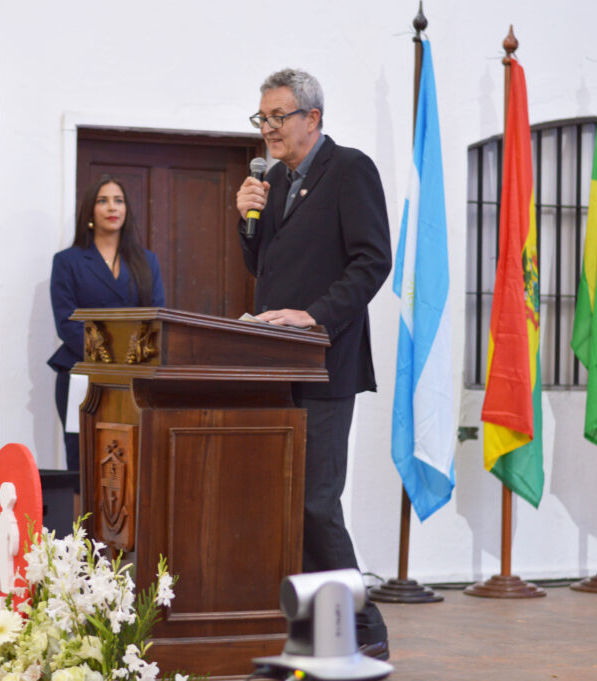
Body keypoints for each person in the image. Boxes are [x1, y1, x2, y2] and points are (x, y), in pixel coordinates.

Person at [235, 68, 392, 660]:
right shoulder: (273, 180)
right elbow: (264, 269)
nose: (268, 128)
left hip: (326, 363)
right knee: (288, 499)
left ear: (313, 119)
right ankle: (321, 632)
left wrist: (314, 317)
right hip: (276, 366)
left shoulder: (348, 169)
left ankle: (366, 628)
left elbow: (372, 261)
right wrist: (247, 218)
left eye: (278, 117)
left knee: (316, 500)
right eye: (262, 118)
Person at [48, 175, 166, 470]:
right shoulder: (68, 261)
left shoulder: (146, 260)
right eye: (103, 200)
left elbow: (156, 318)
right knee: (84, 463)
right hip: (83, 374)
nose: (112, 207)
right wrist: (109, 362)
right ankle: (81, 520)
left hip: (134, 378)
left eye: (119, 200)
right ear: (90, 210)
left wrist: (128, 364)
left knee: (131, 465)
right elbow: (67, 322)